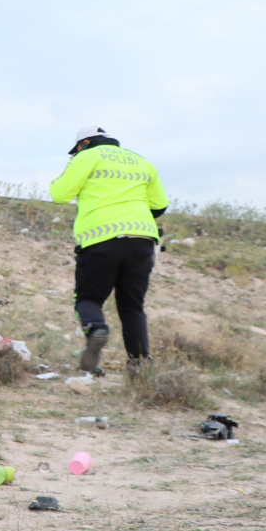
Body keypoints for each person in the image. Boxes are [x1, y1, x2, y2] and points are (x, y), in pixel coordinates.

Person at [50, 126, 168, 374]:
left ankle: (96, 329)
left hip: (100, 240)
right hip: (142, 241)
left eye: (76, 149)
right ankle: (140, 367)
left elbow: (60, 195)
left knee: (88, 300)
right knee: (132, 307)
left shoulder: (86, 156)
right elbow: (159, 206)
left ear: (85, 143)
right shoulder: (141, 161)